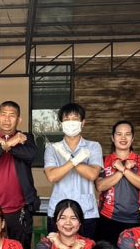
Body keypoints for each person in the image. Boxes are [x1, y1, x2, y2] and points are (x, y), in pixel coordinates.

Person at [0, 100, 40, 249]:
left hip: (20, 210)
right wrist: (8, 143)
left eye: (12, 115)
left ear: (19, 120)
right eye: (3, 115)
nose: (7, 119)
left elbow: (30, 155)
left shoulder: (26, 138)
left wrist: (3, 143)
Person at [43, 102, 103, 239]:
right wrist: (76, 160)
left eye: (75, 119)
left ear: (83, 123)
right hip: (58, 212)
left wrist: (68, 159)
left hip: (86, 212)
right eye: (67, 119)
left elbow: (92, 174)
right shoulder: (53, 148)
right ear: (61, 123)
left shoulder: (93, 147)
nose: (71, 123)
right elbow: (52, 176)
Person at [96, 121, 140, 244]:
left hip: (134, 219)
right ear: (113, 138)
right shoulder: (104, 160)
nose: (123, 138)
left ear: (132, 138)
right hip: (107, 218)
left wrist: (123, 169)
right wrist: (121, 171)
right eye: (119, 134)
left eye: (127, 134)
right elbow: (100, 186)